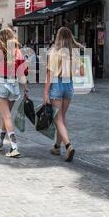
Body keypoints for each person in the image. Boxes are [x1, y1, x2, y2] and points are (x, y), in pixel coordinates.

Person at [0, 28, 28, 158]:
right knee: (5, 115)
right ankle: (0, 141)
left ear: (1, 39)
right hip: (14, 85)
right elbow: (22, 72)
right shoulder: (18, 52)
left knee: (6, 116)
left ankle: (14, 147)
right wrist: (25, 87)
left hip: (1, 84)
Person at [43, 27, 84, 162]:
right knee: (62, 117)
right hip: (69, 85)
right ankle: (56, 146)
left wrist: (45, 93)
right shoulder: (74, 52)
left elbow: (49, 73)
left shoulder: (54, 51)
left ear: (58, 37)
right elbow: (82, 72)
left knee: (58, 119)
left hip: (57, 84)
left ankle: (68, 146)